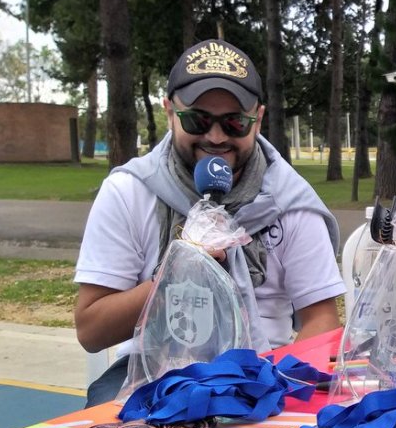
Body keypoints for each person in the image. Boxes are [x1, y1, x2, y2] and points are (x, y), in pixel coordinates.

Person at [75, 39, 345, 406]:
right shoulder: (128, 191)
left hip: (265, 371)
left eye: (235, 122)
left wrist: (278, 383)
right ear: (169, 112)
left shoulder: (290, 201)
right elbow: (91, 330)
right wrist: (174, 275)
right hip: (150, 372)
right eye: (198, 119)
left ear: (258, 119)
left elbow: (322, 320)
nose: (216, 137)